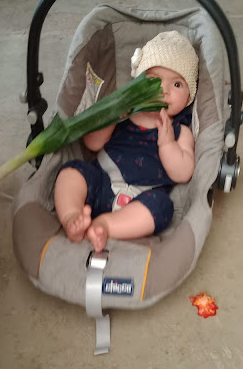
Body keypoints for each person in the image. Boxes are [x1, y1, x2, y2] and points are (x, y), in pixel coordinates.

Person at [54, 30, 199, 252]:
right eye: (154, 80)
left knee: (162, 208)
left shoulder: (180, 131)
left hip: (143, 197)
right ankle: (72, 216)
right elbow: (92, 144)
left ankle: (104, 226)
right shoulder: (126, 113)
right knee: (71, 171)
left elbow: (183, 173)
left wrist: (168, 143)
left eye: (177, 85)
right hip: (101, 180)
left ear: (189, 97)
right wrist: (112, 118)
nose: (164, 91)